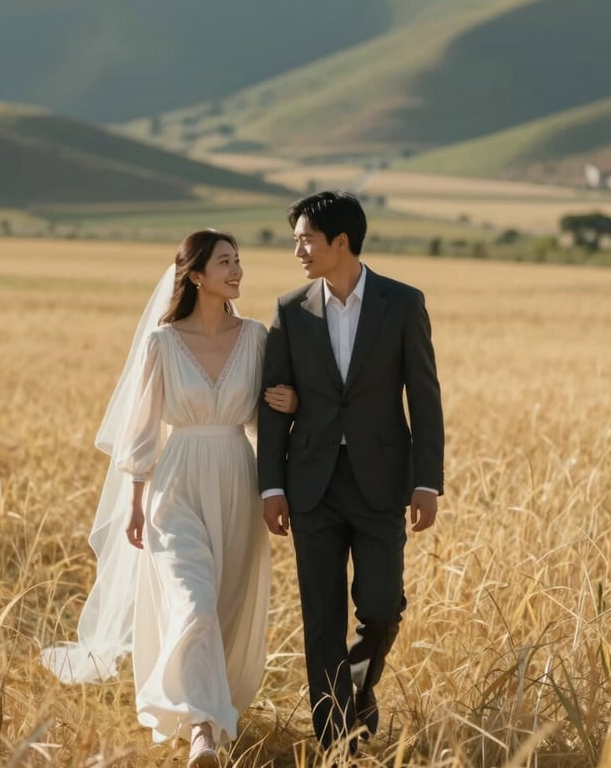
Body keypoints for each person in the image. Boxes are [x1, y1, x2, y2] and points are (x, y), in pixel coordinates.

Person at [43, 230, 296, 768]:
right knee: (194, 603)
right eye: (225, 262)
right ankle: (202, 732)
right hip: (174, 485)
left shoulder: (256, 337)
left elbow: (260, 419)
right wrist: (135, 500)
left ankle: (208, 709)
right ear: (197, 275)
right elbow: (141, 433)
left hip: (235, 480)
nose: (237, 271)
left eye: (238, 261)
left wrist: (287, 401)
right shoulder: (162, 343)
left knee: (223, 609)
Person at [257, 191, 444, 753]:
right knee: (321, 618)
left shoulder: (402, 302)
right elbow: (272, 402)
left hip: (382, 483)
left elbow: (425, 397)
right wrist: (271, 484)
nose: (298, 250)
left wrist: (427, 480)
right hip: (310, 484)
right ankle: (337, 744)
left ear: (341, 242)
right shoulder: (291, 310)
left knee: (383, 607)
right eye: (296, 241)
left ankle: (358, 687)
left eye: (306, 239)